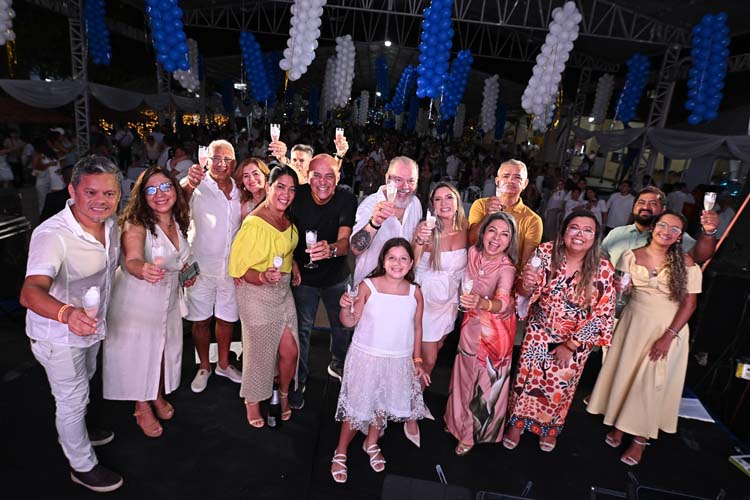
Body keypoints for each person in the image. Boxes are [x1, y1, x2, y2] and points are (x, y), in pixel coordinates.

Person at [19, 156, 124, 492]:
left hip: (91, 327)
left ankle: (79, 430)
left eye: (109, 193)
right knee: (71, 399)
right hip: (58, 335)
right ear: (72, 191)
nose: (101, 201)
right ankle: (82, 466)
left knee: (86, 379)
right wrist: (67, 314)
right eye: (91, 192)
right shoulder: (52, 235)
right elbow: (30, 292)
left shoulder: (112, 225)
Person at [587, 211, 702, 466]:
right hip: (634, 323)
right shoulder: (630, 256)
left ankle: (640, 439)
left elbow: (690, 304)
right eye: (663, 225)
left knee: (651, 382)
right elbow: (623, 291)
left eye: (675, 229)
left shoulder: (686, 263)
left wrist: (668, 337)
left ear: (679, 237)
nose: (667, 231)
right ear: (653, 227)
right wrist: (623, 289)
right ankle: (620, 424)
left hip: (668, 328)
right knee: (627, 375)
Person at [504, 210, 616, 452]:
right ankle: (517, 423)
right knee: (526, 380)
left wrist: (570, 345)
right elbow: (523, 292)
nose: (579, 234)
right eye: (574, 227)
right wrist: (526, 283)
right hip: (539, 329)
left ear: (595, 237)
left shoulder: (603, 268)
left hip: (576, 339)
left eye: (587, 230)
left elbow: (603, 314)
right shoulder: (545, 252)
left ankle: (550, 428)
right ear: (564, 231)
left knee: (559, 387)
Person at [103, 167, 194, 438]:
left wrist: (186, 273)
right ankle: (141, 406)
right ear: (142, 196)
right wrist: (142, 269)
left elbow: (178, 257)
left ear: (175, 189)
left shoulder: (177, 219)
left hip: (168, 297)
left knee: (163, 350)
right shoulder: (136, 222)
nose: (160, 194)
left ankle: (155, 393)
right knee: (141, 354)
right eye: (151, 190)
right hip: (138, 300)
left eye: (165, 187)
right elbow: (132, 259)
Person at [331, 238, 428, 484]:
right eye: (392, 258)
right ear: (383, 261)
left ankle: (371, 442)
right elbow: (349, 321)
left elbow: (417, 328)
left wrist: (417, 360)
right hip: (367, 356)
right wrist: (344, 307)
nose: (397, 263)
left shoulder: (415, 292)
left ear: (411, 263)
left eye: (403, 258)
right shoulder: (368, 286)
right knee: (357, 407)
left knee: (381, 405)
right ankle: (340, 451)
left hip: (397, 359)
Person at [228, 165, 301, 427]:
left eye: (291, 189)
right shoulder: (254, 223)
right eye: (280, 187)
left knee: (290, 351)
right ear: (269, 187)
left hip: (282, 290)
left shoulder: (286, 217)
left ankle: (283, 394)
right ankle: (252, 400)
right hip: (256, 292)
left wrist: (293, 264)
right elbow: (238, 268)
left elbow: (282, 247)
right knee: (259, 353)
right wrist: (261, 277)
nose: (286, 194)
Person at [444, 212, 518, 456]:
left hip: (494, 334)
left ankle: (469, 435)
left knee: (483, 385)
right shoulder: (473, 253)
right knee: (463, 375)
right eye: (492, 230)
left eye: (505, 234)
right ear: (483, 232)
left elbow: (503, 302)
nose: (496, 238)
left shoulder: (507, 268)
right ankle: (455, 423)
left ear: (510, 241)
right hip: (471, 325)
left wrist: (482, 303)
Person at [290, 154, 357, 403]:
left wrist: (330, 250)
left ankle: (338, 364)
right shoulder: (296, 196)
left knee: (342, 326)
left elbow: (345, 242)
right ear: (307, 176)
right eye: (316, 175)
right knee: (301, 330)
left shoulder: (346, 198)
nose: (323, 182)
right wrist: (293, 262)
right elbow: (283, 232)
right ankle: (299, 380)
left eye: (329, 176)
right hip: (304, 279)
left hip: (336, 277)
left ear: (337, 178)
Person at [181, 140, 243, 392]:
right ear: (207, 160)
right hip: (200, 269)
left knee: (227, 320)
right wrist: (189, 183)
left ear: (234, 163)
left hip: (231, 270)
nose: (221, 164)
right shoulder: (196, 185)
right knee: (201, 320)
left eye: (226, 159)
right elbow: (178, 200)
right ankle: (205, 366)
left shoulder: (240, 190)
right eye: (216, 158)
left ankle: (224, 364)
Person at [410, 182, 468, 440]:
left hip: (450, 301)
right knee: (429, 359)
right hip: (427, 301)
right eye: (438, 199)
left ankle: (411, 395)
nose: (444, 203)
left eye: (449, 198)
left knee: (437, 348)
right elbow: (412, 264)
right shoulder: (426, 229)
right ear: (431, 205)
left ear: (457, 202)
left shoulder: (466, 229)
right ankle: (412, 409)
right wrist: (419, 240)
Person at [602, 186, 719, 267]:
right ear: (633, 207)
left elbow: (700, 256)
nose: (645, 207)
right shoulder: (616, 233)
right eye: (641, 202)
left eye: (653, 203)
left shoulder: (670, 235)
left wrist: (709, 233)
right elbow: (600, 262)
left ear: (663, 209)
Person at [350, 156, 423, 286]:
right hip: (369, 287)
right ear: (387, 178)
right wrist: (374, 223)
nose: (405, 186)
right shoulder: (370, 205)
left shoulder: (415, 203)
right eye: (398, 180)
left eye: (411, 181)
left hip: (402, 286)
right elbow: (355, 249)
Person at [467, 159, 542, 268]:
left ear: (525, 184)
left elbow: (526, 263)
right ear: (497, 181)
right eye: (506, 176)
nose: (510, 180)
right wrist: (488, 216)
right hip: (476, 270)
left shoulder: (533, 220)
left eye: (517, 177)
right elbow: (472, 241)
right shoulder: (481, 205)